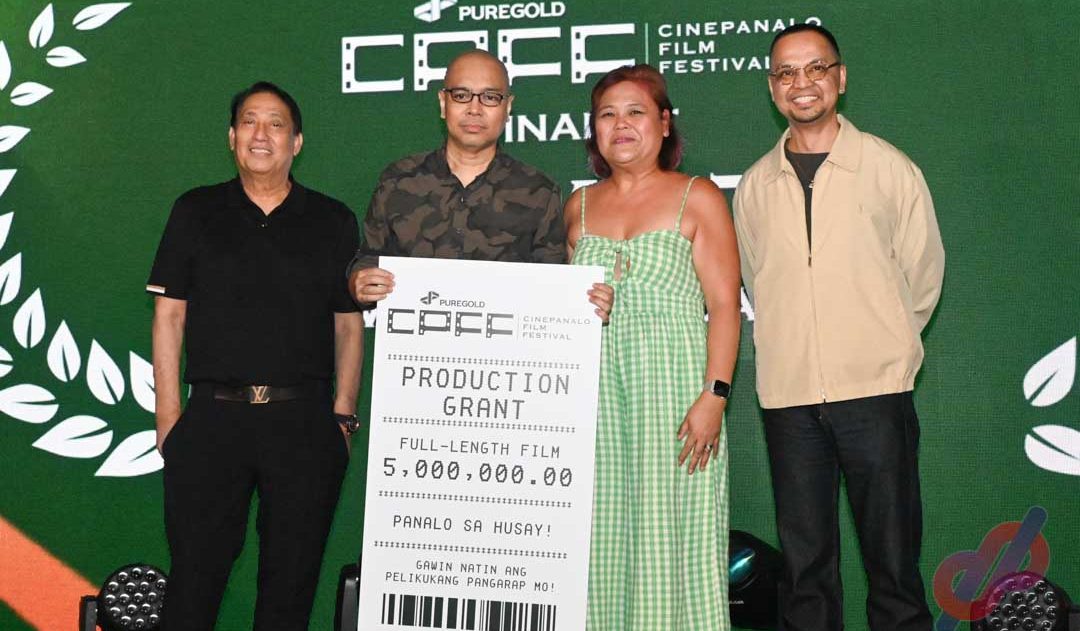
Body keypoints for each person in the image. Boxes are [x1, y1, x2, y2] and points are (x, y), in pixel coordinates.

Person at [733, 24, 944, 631]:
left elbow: (922, 275)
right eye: (786, 72)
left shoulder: (888, 168)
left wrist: (883, 342)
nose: (801, 83)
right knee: (806, 574)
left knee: (893, 566)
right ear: (772, 87)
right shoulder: (754, 186)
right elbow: (757, 281)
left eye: (815, 68)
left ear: (840, 77)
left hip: (875, 391)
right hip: (789, 398)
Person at [147, 81, 362, 631]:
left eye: (276, 124)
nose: (260, 134)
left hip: (304, 423)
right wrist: (169, 417)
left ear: (297, 142)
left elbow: (348, 323)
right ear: (231, 137)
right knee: (193, 587)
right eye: (249, 121)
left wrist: (342, 415)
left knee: (289, 594)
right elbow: (169, 317)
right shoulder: (195, 211)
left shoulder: (333, 220)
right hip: (212, 421)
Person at [566, 64, 741, 631]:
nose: (620, 124)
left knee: (678, 537)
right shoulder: (578, 208)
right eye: (607, 114)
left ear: (664, 124)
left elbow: (724, 305)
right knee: (603, 536)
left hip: (677, 401)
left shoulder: (698, 196)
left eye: (635, 112)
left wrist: (715, 395)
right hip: (599, 407)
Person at [348, 49, 611, 317]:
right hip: (412, 342)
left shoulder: (539, 192)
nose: (474, 109)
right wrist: (359, 281)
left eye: (490, 97)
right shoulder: (398, 181)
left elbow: (554, 289)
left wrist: (585, 306)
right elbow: (369, 258)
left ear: (508, 107)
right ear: (443, 103)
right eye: (461, 95)